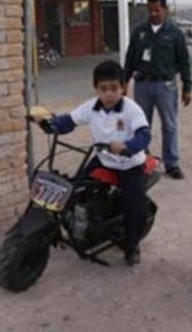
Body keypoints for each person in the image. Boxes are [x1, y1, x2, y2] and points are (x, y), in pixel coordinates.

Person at [42, 60, 151, 266]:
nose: (108, 94)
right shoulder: (91, 107)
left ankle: (133, 245)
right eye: (103, 89)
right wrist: (51, 124)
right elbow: (70, 120)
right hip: (103, 159)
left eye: (113, 88)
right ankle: (83, 224)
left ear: (123, 88)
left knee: (133, 206)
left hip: (129, 164)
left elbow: (144, 134)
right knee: (75, 188)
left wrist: (129, 145)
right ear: (96, 89)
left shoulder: (131, 109)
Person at [124, 0, 192, 179]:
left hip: (165, 86)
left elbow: (184, 61)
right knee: (141, 125)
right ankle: (142, 160)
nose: (154, 14)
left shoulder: (175, 33)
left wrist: (187, 87)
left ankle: (172, 164)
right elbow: (131, 58)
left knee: (169, 126)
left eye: (157, 10)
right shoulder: (139, 32)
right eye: (150, 10)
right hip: (142, 85)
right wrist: (124, 81)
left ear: (166, 10)